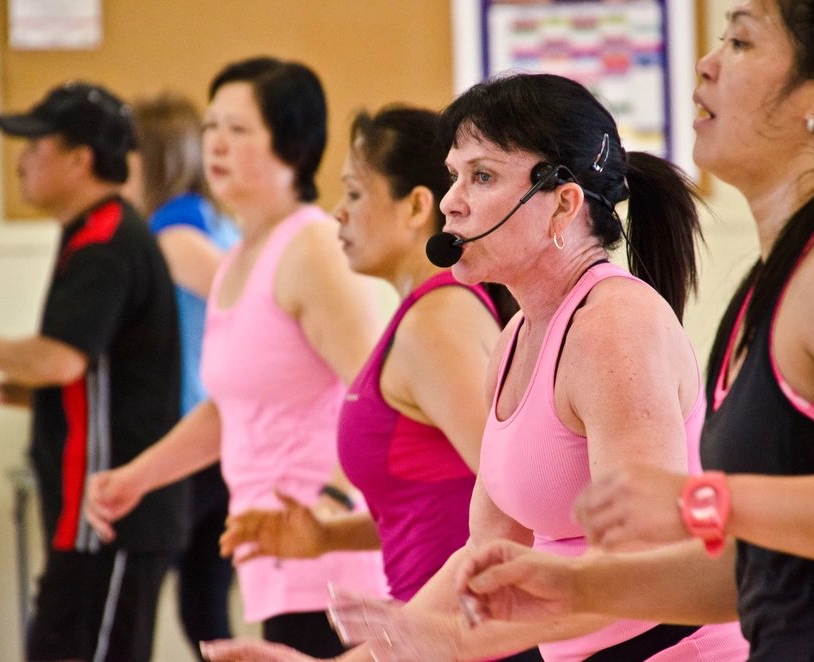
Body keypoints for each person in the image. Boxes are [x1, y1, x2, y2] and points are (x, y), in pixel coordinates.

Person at [202, 73, 750, 662]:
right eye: (455, 175)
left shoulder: (614, 327)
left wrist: (451, 639)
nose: (449, 200)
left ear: (563, 203)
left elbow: (644, 567)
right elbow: (482, 550)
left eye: (481, 176)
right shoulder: (518, 335)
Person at [454, 1, 814, 660]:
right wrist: (571, 588)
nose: (706, 64)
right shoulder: (786, 274)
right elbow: (755, 575)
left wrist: (707, 500)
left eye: (740, 41)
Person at [83, 57, 388, 659]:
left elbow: (381, 393)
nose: (216, 145)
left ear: (292, 145)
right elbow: (231, 409)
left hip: (329, 549)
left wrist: (331, 499)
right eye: (211, 127)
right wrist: (137, 477)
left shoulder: (310, 249)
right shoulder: (239, 256)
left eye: (238, 130)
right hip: (274, 551)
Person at [217, 106, 539, 661]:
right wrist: (328, 537)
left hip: (470, 639)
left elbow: (513, 514)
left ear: (416, 206)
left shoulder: (436, 325)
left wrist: (373, 653)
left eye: (355, 193)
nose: (337, 213)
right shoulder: (421, 318)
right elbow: (450, 495)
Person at [0, 81, 187, 662]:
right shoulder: (92, 235)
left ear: (79, 159)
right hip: (92, 522)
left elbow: (59, 358)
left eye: (36, 145)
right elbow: (90, 381)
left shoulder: (108, 241)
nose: (21, 161)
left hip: (110, 518)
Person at [123, 92, 239, 656]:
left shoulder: (173, 233)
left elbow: (249, 306)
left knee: (157, 597)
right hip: (214, 436)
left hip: (195, 436)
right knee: (203, 606)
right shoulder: (215, 222)